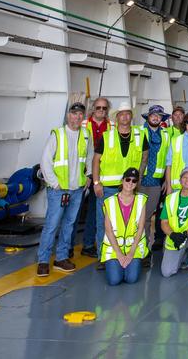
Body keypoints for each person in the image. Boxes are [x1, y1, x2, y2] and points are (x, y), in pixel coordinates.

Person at [37, 101, 90, 276]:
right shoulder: (58, 135)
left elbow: (89, 157)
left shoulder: (85, 135)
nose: (77, 117)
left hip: (77, 189)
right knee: (52, 225)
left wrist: (88, 176)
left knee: (69, 225)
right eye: (74, 113)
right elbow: (45, 161)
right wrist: (54, 184)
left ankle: (61, 258)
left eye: (80, 114)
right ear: (68, 116)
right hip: (58, 190)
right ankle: (43, 261)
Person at [91, 103, 145, 270]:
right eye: (121, 114)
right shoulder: (107, 136)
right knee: (104, 224)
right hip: (108, 188)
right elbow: (96, 160)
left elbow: (144, 157)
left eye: (128, 114)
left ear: (131, 116)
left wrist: (138, 179)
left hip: (129, 188)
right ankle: (103, 257)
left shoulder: (140, 135)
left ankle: (127, 255)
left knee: (129, 224)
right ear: (117, 117)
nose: (125, 117)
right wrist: (96, 182)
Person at [101, 167, 148, 286]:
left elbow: (141, 228)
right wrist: (119, 254)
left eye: (134, 181)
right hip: (114, 248)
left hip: (133, 248)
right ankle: (118, 266)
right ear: (122, 180)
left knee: (131, 279)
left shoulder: (141, 200)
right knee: (114, 280)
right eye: (128, 179)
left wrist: (131, 253)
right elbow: (108, 230)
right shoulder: (109, 201)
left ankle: (127, 266)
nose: (130, 183)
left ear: (136, 184)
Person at [79, 96, 111, 256]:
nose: (101, 110)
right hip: (83, 173)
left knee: (94, 210)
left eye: (104, 108)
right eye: (98, 107)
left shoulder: (112, 126)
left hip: (101, 173)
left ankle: (88, 244)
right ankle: (68, 247)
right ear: (93, 109)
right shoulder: (83, 124)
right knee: (74, 212)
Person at [140, 104, 168, 252]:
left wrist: (166, 181)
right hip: (138, 181)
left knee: (147, 217)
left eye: (159, 115)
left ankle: (143, 249)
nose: (156, 117)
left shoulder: (166, 135)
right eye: (153, 115)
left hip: (155, 182)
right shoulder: (139, 132)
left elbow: (168, 160)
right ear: (148, 117)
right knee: (136, 217)